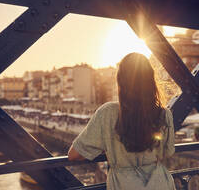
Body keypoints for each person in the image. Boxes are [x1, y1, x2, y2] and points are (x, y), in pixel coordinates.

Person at [68, 53, 176, 190]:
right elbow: (168, 152)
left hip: (124, 184)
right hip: (159, 183)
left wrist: (109, 146)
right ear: (151, 80)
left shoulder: (107, 113)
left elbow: (74, 154)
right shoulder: (164, 114)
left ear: (121, 81)